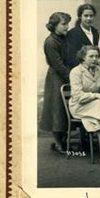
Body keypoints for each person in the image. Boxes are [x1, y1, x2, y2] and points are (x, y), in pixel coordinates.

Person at [40, 12, 71, 153]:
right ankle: (58, 143)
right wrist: (71, 77)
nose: (67, 27)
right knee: (57, 109)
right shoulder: (50, 42)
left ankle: (63, 140)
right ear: (54, 26)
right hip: (56, 78)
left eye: (67, 23)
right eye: (63, 24)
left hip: (65, 75)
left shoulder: (63, 38)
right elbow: (58, 65)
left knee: (65, 110)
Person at [65, 3, 100, 69]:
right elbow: (71, 56)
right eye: (86, 16)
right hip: (80, 70)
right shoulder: (72, 33)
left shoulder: (95, 32)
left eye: (91, 16)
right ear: (80, 16)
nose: (89, 18)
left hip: (94, 69)